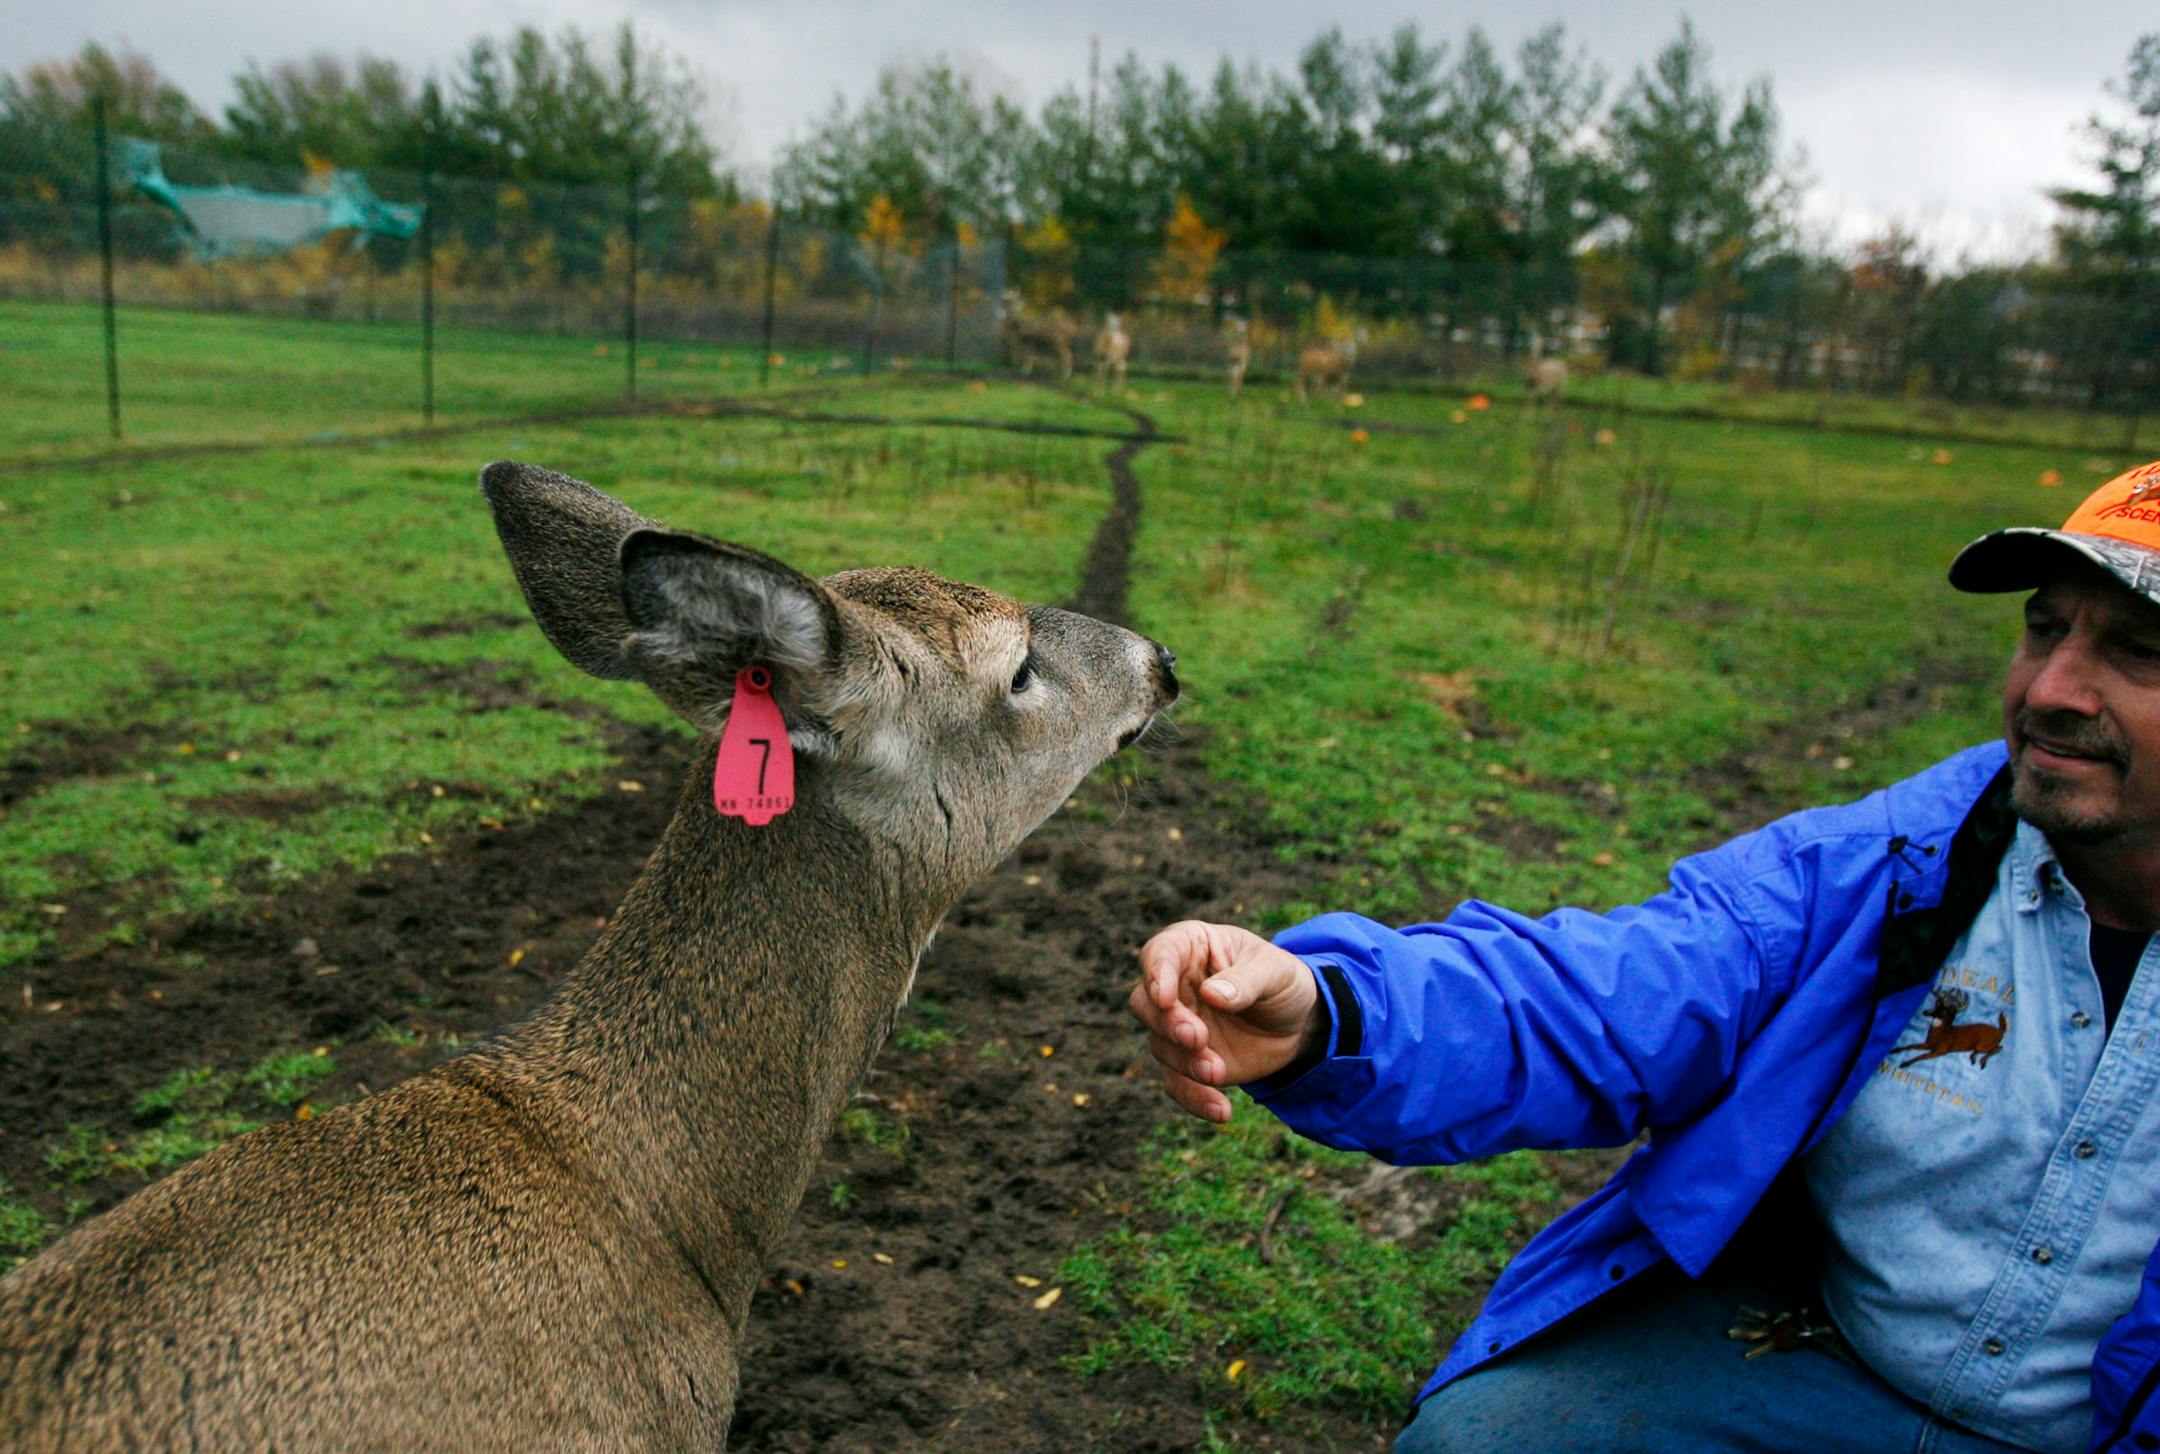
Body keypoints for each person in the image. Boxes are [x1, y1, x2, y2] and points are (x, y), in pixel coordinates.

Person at [1131, 463, 2160, 1454]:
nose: (2055, 687)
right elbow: (1605, 990)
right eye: (2044, 627)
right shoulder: (1893, 872)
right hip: (1829, 1361)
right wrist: (1329, 1010)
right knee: (1484, 1441)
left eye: (2140, 649)